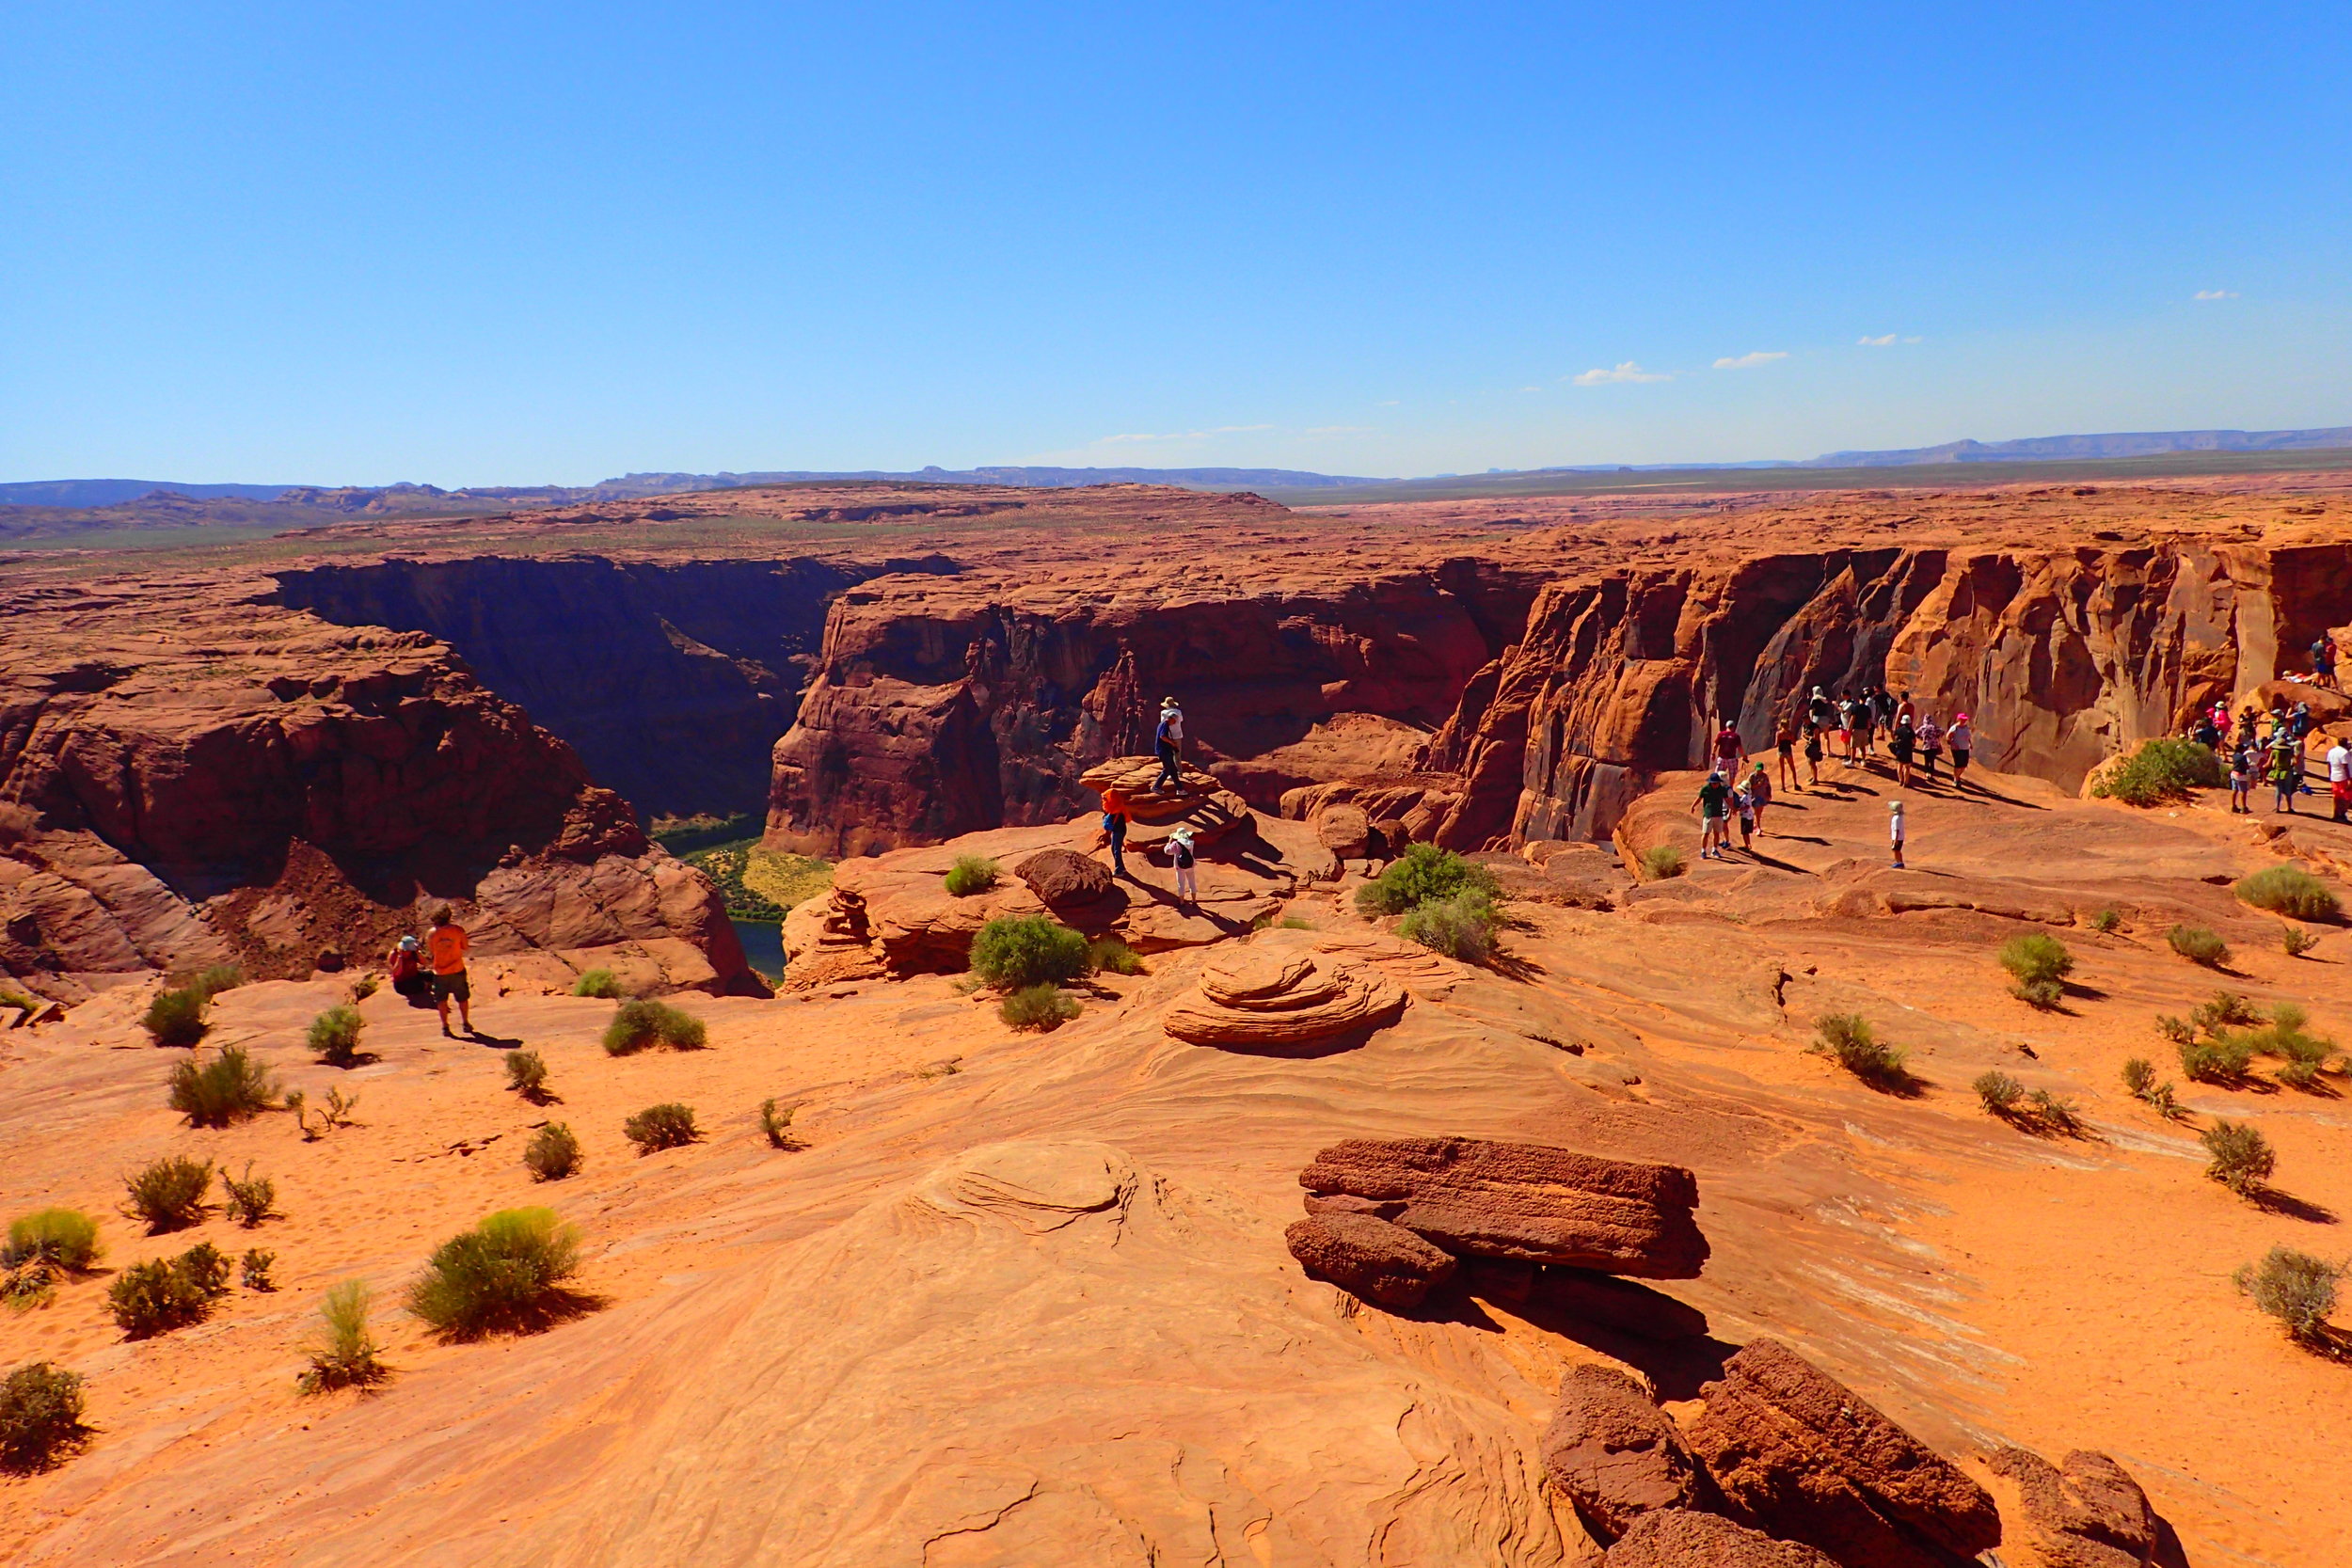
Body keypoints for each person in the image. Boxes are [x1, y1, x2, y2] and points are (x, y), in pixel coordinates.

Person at [425, 905, 473, 1037]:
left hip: (440, 972)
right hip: (457, 969)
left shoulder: (431, 933)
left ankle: (445, 1027)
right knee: (462, 998)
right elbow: (465, 946)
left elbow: (432, 951)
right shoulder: (458, 930)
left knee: (441, 1000)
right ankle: (465, 1023)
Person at [1693, 769, 1733, 860]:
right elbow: (1699, 798)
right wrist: (1693, 806)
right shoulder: (1705, 789)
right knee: (1706, 833)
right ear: (1710, 783)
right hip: (1708, 814)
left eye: (1717, 783)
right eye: (1713, 783)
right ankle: (1703, 851)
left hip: (1718, 815)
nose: (1715, 785)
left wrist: (1732, 808)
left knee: (1717, 833)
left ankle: (1714, 850)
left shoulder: (1722, 790)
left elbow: (1727, 800)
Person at [387, 934, 431, 1006]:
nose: (408, 952)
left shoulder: (413, 953)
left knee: (431, 975)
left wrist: (417, 952)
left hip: (414, 975)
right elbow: (397, 973)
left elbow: (425, 963)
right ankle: (424, 985)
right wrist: (400, 957)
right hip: (402, 982)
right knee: (420, 986)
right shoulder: (394, 954)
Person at [1153, 697, 1185, 789]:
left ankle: (1169, 773)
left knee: (1169, 755)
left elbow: (1163, 723)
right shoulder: (1178, 712)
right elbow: (1181, 720)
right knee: (1177, 754)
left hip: (1168, 736)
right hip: (1178, 735)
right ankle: (1179, 773)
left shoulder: (1163, 713)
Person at [1101, 785, 1132, 878]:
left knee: (1116, 850)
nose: (1105, 801)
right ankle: (1121, 868)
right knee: (1114, 849)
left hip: (1119, 831)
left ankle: (1119, 870)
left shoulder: (1115, 809)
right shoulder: (1117, 806)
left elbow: (1113, 821)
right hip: (1119, 831)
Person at [2269, 735, 2302, 815]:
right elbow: (2295, 762)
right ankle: (2289, 807)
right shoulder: (2289, 752)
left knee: (2278, 789)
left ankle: (2277, 807)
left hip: (2278, 771)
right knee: (2288, 789)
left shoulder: (2274, 752)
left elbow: (2269, 763)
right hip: (2288, 771)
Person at [1167, 825, 1199, 905]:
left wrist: (1169, 842)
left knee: (1181, 883)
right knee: (1192, 883)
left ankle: (1181, 902)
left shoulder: (1175, 844)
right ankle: (1194, 900)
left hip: (1180, 866)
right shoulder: (1191, 842)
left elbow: (1167, 851)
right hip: (1190, 865)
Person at [1889, 709, 1916, 788]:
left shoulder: (1899, 730)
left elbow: (1895, 737)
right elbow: (1914, 741)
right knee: (1907, 767)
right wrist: (1912, 745)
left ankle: (1900, 781)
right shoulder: (1910, 731)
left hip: (1899, 750)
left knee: (1900, 766)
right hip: (1908, 750)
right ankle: (1906, 783)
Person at [1947, 712, 1975, 789]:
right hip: (1957, 749)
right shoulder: (1955, 727)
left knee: (1964, 765)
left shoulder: (1966, 727)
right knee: (1958, 765)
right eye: (1962, 719)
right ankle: (1956, 779)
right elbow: (1948, 737)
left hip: (1965, 748)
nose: (1964, 721)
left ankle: (1957, 777)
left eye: (1965, 719)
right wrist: (1953, 744)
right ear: (1958, 719)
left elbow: (1968, 737)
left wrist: (1970, 744)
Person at [2327, 735, 2351, 823]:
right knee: (2347, 797)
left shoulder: (2331, 751)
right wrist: (2349, 779)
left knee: (2337, 797)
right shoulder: (2344, 753)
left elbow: (2328, 764)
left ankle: (2335, 814)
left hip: (2334, 777)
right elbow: (2345, 766)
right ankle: (2342, 814)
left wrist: (2330, 775)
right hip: (2343, 777)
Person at [1746, 759, 1774, 834]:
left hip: (1763, 796)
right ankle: (1758, 828)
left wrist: (1769, 794)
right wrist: (1757, 785)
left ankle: (1756, 823)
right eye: (1758, 769)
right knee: (1757, 811)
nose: (1759, 771)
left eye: (1760, 770)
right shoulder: (1752, 776)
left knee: (1760, 811)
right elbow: (1748, 787)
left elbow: (1768, 786)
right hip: (1754, 797)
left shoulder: (1765, 776)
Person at [2228, 739, 2254, 814]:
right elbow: (2246, 766)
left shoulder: (2234, 755)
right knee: (2243, 791)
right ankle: (2243, 807)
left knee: (2234, 790)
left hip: (2233, 773)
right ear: (2241, 749)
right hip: (2240, 775)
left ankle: (2233, 806)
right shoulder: (2242, 757)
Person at [1916, 713, 1943, 781]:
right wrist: (1937, 736)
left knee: (1927, 761)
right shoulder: (1934, 727)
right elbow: (1942, 731)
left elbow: (1916, 733)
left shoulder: (1923, 727)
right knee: (1932, 760)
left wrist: (1921, 737)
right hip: (1934, 747)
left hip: (1926, 746)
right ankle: (1931, 774)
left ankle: (1927, 774)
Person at [1733, 778, 1757, 850]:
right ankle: (1747, 844)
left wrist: (1738, 809)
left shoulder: (1746, 797)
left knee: (1744, 832)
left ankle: (1747, 845)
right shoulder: (1748, 796)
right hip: (1748, 816)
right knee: (1746, 832)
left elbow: (1747, 806)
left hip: (1746, 817)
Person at [1775, 721, 1799, 791]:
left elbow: (1776, 744)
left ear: (1781, 725)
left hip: (1781, 752)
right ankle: (1795, 784)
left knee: (1782, 770)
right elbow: (1794, 743)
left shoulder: (1779, 733)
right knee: (1793, 769)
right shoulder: (1790, 733)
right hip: (1788, 752)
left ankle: (1783, 787)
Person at [1802, 722, 1824, 787]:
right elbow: (1802, 735)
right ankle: (1813, 776)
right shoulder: (1805, 726)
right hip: (1808, 747)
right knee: (1810, 763)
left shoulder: (1815, 727)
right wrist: (1806, 740)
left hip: (1814, 747)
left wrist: (1807, 736)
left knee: (1813, 763)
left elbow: (1815, 738)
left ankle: (1815, 780)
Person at [1888, 799, 1907, 868]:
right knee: (1897, 850)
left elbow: (1897, 830)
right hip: (1899, 837)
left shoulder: (1896, 819)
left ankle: (1899, 863)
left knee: (1895, 850)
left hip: (1897, 838)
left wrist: (1895, 840)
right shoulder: (1900, 816)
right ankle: (1900, 862)